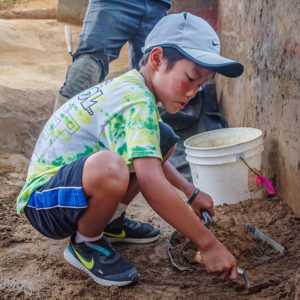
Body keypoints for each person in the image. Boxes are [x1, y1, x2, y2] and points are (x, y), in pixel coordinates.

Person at [17, 13, 244, 287]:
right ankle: (86, 243)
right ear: (157, 59)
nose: (193, 93)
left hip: (67, 191)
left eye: (200, 86)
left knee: (163, 139)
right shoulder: (134, 100)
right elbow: (151, 182)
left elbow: (152, 157)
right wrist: (208, 245)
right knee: (111, 167)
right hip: (44, 202)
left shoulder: (134, 90)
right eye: (190, 78)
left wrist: (190, 191)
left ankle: (109, 223)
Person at [54, 0, 171, 111]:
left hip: (158, 6)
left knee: (149, 85)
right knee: (87, 69)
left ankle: (137, 129)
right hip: (113, 3)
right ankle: (58, 130)